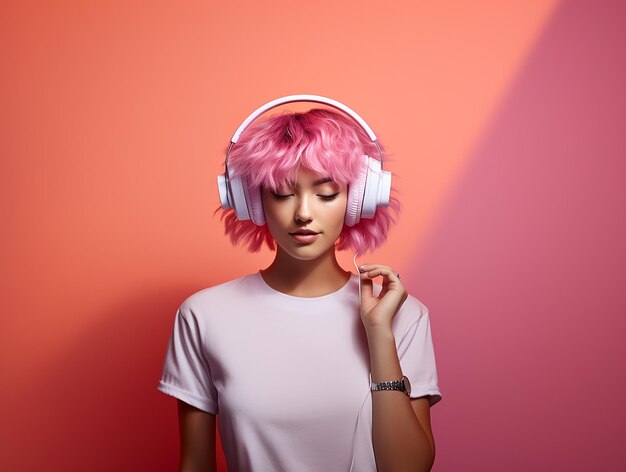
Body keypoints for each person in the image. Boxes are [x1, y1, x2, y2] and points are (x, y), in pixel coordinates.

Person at [157, 95, 442, 472]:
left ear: (359, 201)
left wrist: (379, 335)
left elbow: (408, 469)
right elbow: (194, 464)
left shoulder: (402, 316)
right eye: (282, 193)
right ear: (251, 201)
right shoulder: (203, 315)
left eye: (326, 194)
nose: (304, 213)